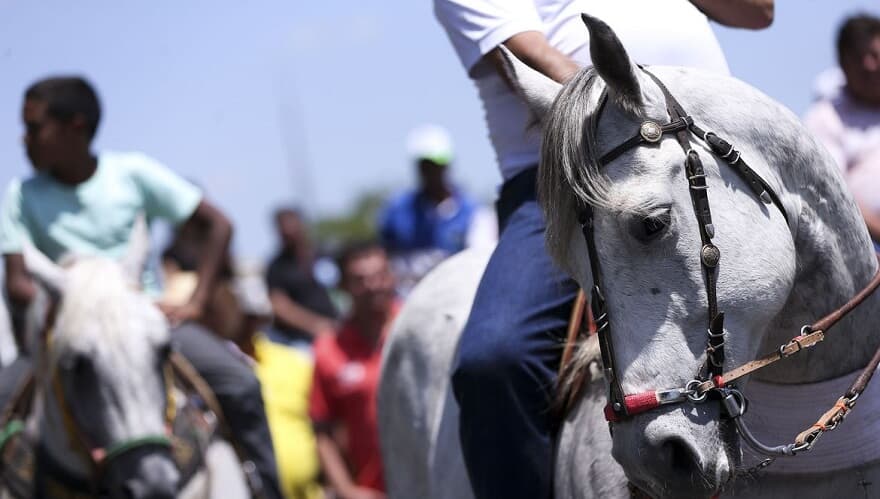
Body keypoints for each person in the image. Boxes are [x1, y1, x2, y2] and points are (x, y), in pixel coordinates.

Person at [432, 1, 774, 497]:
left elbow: (757, 12)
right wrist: (640, 108)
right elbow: (528, 58)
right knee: (496, 358)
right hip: (565, 182)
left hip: (718, 154)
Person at [0, 76, 283, 499]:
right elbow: (19, 282)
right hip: (61, 332)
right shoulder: (20, 196)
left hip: (148, 321)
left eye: (35, 127)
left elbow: (217, 224)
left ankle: (265, 487)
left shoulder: (130, 174)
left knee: (240, 383)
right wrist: (82, 300)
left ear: (75, 126)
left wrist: (196, 301)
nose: (24, 140)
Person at [309, 241, 397, 499]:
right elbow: (321, 433)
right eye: (360, 279)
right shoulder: (329, 350)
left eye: (380, 275)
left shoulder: (420, 331)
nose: (373, 285)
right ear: (343, 286)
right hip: (372, 491)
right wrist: (346, 490)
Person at [228, 272, 325, 499]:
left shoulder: (296, 361)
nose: (248, 323)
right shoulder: (218, 371)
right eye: (243, 316)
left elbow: (325, 429)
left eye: (253, 316)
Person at [379, 124, 486, 294]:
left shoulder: (473, 213)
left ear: (448, 164)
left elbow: (479, 264)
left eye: (437, 164)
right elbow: (384, 258)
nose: (432, 171)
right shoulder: (396, 210)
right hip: (408, 301)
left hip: (456, 300)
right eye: (425, 165)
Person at [804, 13, 880, 245]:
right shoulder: (825, 118)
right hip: (862, 252)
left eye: (875, 55)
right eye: (858, 57)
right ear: (842, 64)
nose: (869, 65)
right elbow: (833, 193)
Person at [266, 207, 339, 346]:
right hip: (300, 340)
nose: (290, 232)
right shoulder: (277, 267)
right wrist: (318, 326)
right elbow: (280, 307)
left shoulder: (325, 255)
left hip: (339, 331)